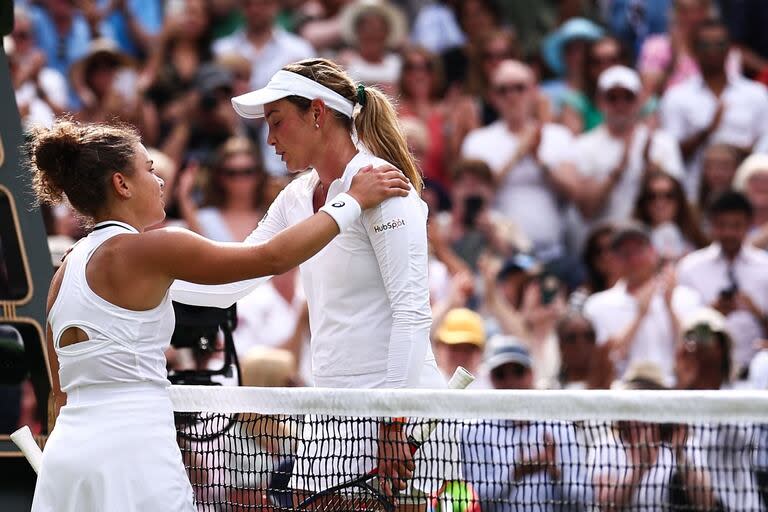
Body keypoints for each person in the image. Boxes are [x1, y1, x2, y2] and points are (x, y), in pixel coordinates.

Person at [28, 119, 408, 512]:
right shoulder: (155, 248)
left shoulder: (65, 271)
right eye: (150, 170)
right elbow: (271, 258)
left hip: (66, 460)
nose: (160, 182)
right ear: (122, 184)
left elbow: (60, 394)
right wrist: (351, 201)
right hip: (132, 454)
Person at [170, 58, 446, 495]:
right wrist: (145, 289)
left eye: (277, 122)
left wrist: (395, 419)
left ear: (317, 114)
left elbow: (412, 314)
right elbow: (240, 272)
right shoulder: (296, 195)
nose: (269, 139)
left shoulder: (387, 190)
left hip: (397, 411)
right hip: (331, 408)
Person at [462, 337, 591, 511]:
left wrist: (556, 472)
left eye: (518, 371)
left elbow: (585, 499)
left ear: (531, 373)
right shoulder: (474, 431)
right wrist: (514, 474)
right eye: (501, 374)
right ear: (490, 378)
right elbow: (471, 499)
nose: (510, 381)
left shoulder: (561, 428)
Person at [660, 18, 768, 196]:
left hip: (747, 194)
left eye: (719, 44)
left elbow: (765, 144)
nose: (713, 51)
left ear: (730, 48)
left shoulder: (756, 94)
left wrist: (736, 153)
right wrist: (706, 132)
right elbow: (671, 154)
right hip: (693, 194)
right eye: (705, 45)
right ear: (694, 50)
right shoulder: (676, 97)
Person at [583, 222, 701, 382]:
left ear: (653, 252)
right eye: (625, 253)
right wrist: (639, 315)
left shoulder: (686, 297)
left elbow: (696, 351)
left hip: (674, 390)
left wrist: (669, 307)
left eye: (639, 250)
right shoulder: (597, 305)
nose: (633, 259)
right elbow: (605, 359)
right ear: (614, 260)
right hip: (623, 393)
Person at [677, 191, 768, 380]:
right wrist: (711, 314)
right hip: (705, 375)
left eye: (736, 226)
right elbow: (680, 330)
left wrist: (756, 312)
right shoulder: (690, 267)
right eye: (721, 225)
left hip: (757, 373)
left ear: (749, 224)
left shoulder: (764, 267)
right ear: (710, 225)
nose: (728, 233)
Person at [632, 170, 708, 261]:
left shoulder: (697, 241)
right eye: (652, 196)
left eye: (668, 195)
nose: (660, 203)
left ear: (679, 200)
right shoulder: (632, 241)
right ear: (643, 202)